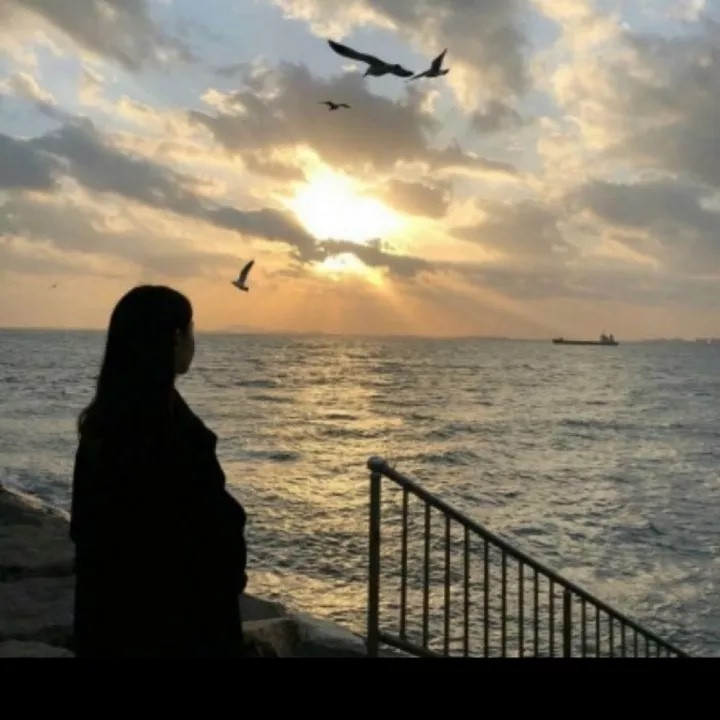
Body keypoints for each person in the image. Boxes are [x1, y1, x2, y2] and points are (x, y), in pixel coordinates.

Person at [70, 285, 249, 657]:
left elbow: (85, 530)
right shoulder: (177, 435)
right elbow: (207, 538)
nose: (194, 342)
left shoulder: (101, 428)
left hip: (110, 621)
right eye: (192, 331)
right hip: (176, 626)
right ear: (176, 338)